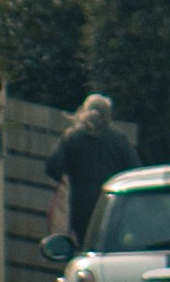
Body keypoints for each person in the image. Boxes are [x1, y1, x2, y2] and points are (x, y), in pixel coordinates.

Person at [46, 88, 137, 252]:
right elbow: (134, 169)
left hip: (81, 204)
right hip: (113, 203)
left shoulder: (71, 137)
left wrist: (68, 177)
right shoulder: (118, 139)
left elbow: (52, 166)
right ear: (108, 115)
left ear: (84, 111)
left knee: (85, 245)